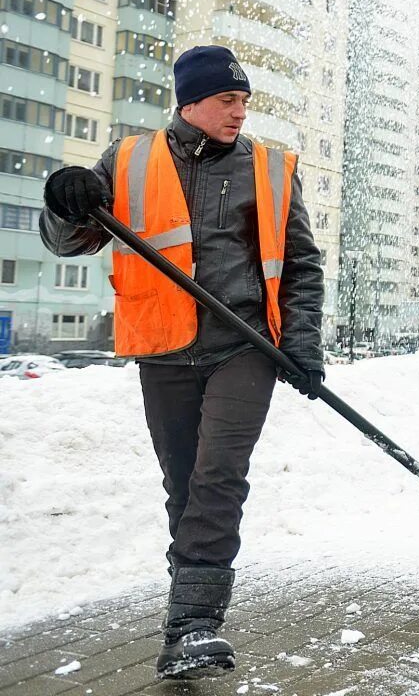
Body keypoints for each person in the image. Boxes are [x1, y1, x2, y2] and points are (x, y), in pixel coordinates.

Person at [38, 45, 325, 679]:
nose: (239, 113)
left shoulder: (270, 170)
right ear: (189, 101)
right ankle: (189, 605)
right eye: (228, 100)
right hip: (164, 347)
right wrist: (64, 199)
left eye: (245, 102)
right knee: (185, 482)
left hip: (245, 346)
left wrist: (303, 344)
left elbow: (302, 265)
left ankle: (193, 626)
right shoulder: (129, 160)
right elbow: (71, 242)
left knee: (219, 477)